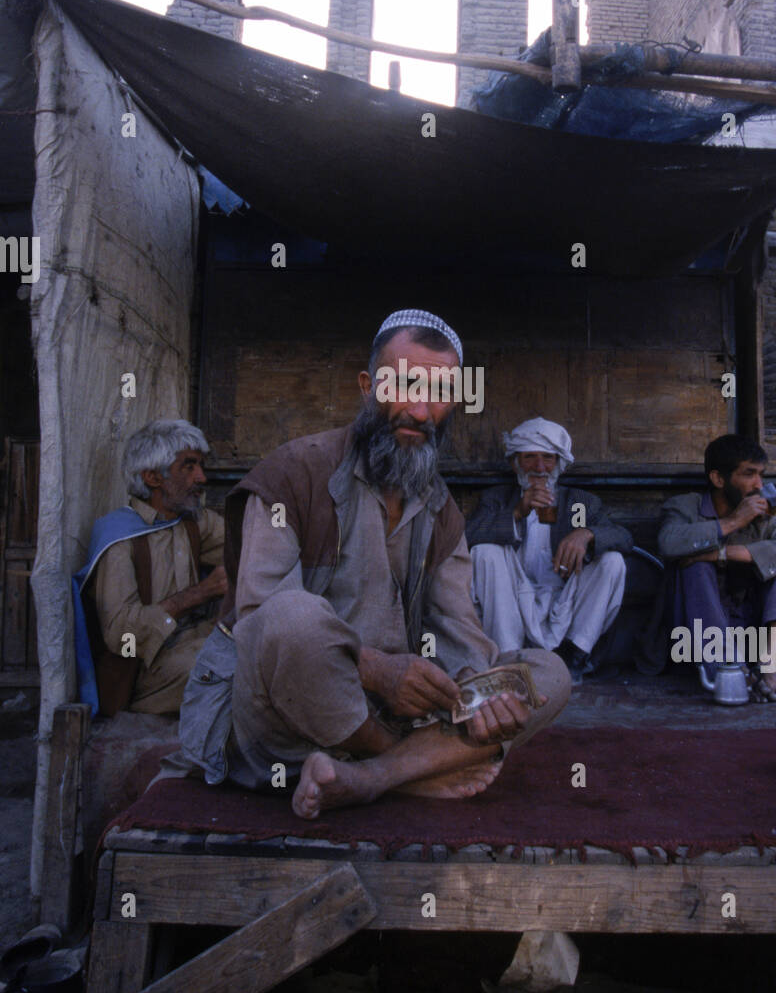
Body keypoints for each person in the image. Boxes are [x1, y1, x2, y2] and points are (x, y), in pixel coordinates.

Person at [221, 310, 571, 819]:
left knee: (547, 674)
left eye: (438, 391)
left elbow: (459, 629)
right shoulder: (294, 472)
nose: (419, 410)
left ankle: (369, 777)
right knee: (291, 617)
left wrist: (483, 693)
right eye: (403, 385)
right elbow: (260, 623)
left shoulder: (438, 504)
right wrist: (378, 670)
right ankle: (412, 769)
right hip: (289, 717)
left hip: (398, 713)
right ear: (368, 387)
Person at [81, 420, 226, 715]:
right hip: (145, 671)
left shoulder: (193, 522)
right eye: (188, 466)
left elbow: (246, 545)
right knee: (223, 668)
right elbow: (123, 637)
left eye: (200, 465)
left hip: (193, 642)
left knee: (259, 644)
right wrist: (198, 594)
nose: (201, 477)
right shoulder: (119, 539)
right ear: (152, 477)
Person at [466, 418, 631, 677]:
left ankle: (572, 654)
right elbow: (468, 536)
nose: (539, 467)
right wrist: (517, 511)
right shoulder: (496, 498)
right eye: (529, 457)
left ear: (559, 463)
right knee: (484, 551)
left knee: (613, 561)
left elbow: (623, 537)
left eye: (548, 457)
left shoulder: (580, 501)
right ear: (515, 463)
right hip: (512, 600)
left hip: (564, 599)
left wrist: (586, 534)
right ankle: (509, 656)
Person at [658, 434, 776, 703]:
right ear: (718, 479)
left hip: (751, 628)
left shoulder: (763, 519)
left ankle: (767, 669)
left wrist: (719, 554)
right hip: (695, 636)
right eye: (749, 474)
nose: (759, 485)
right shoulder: (685, 506)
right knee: (693, 568)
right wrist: (732, 522)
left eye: (761, 475)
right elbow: (669, 543)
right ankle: (731, 671)